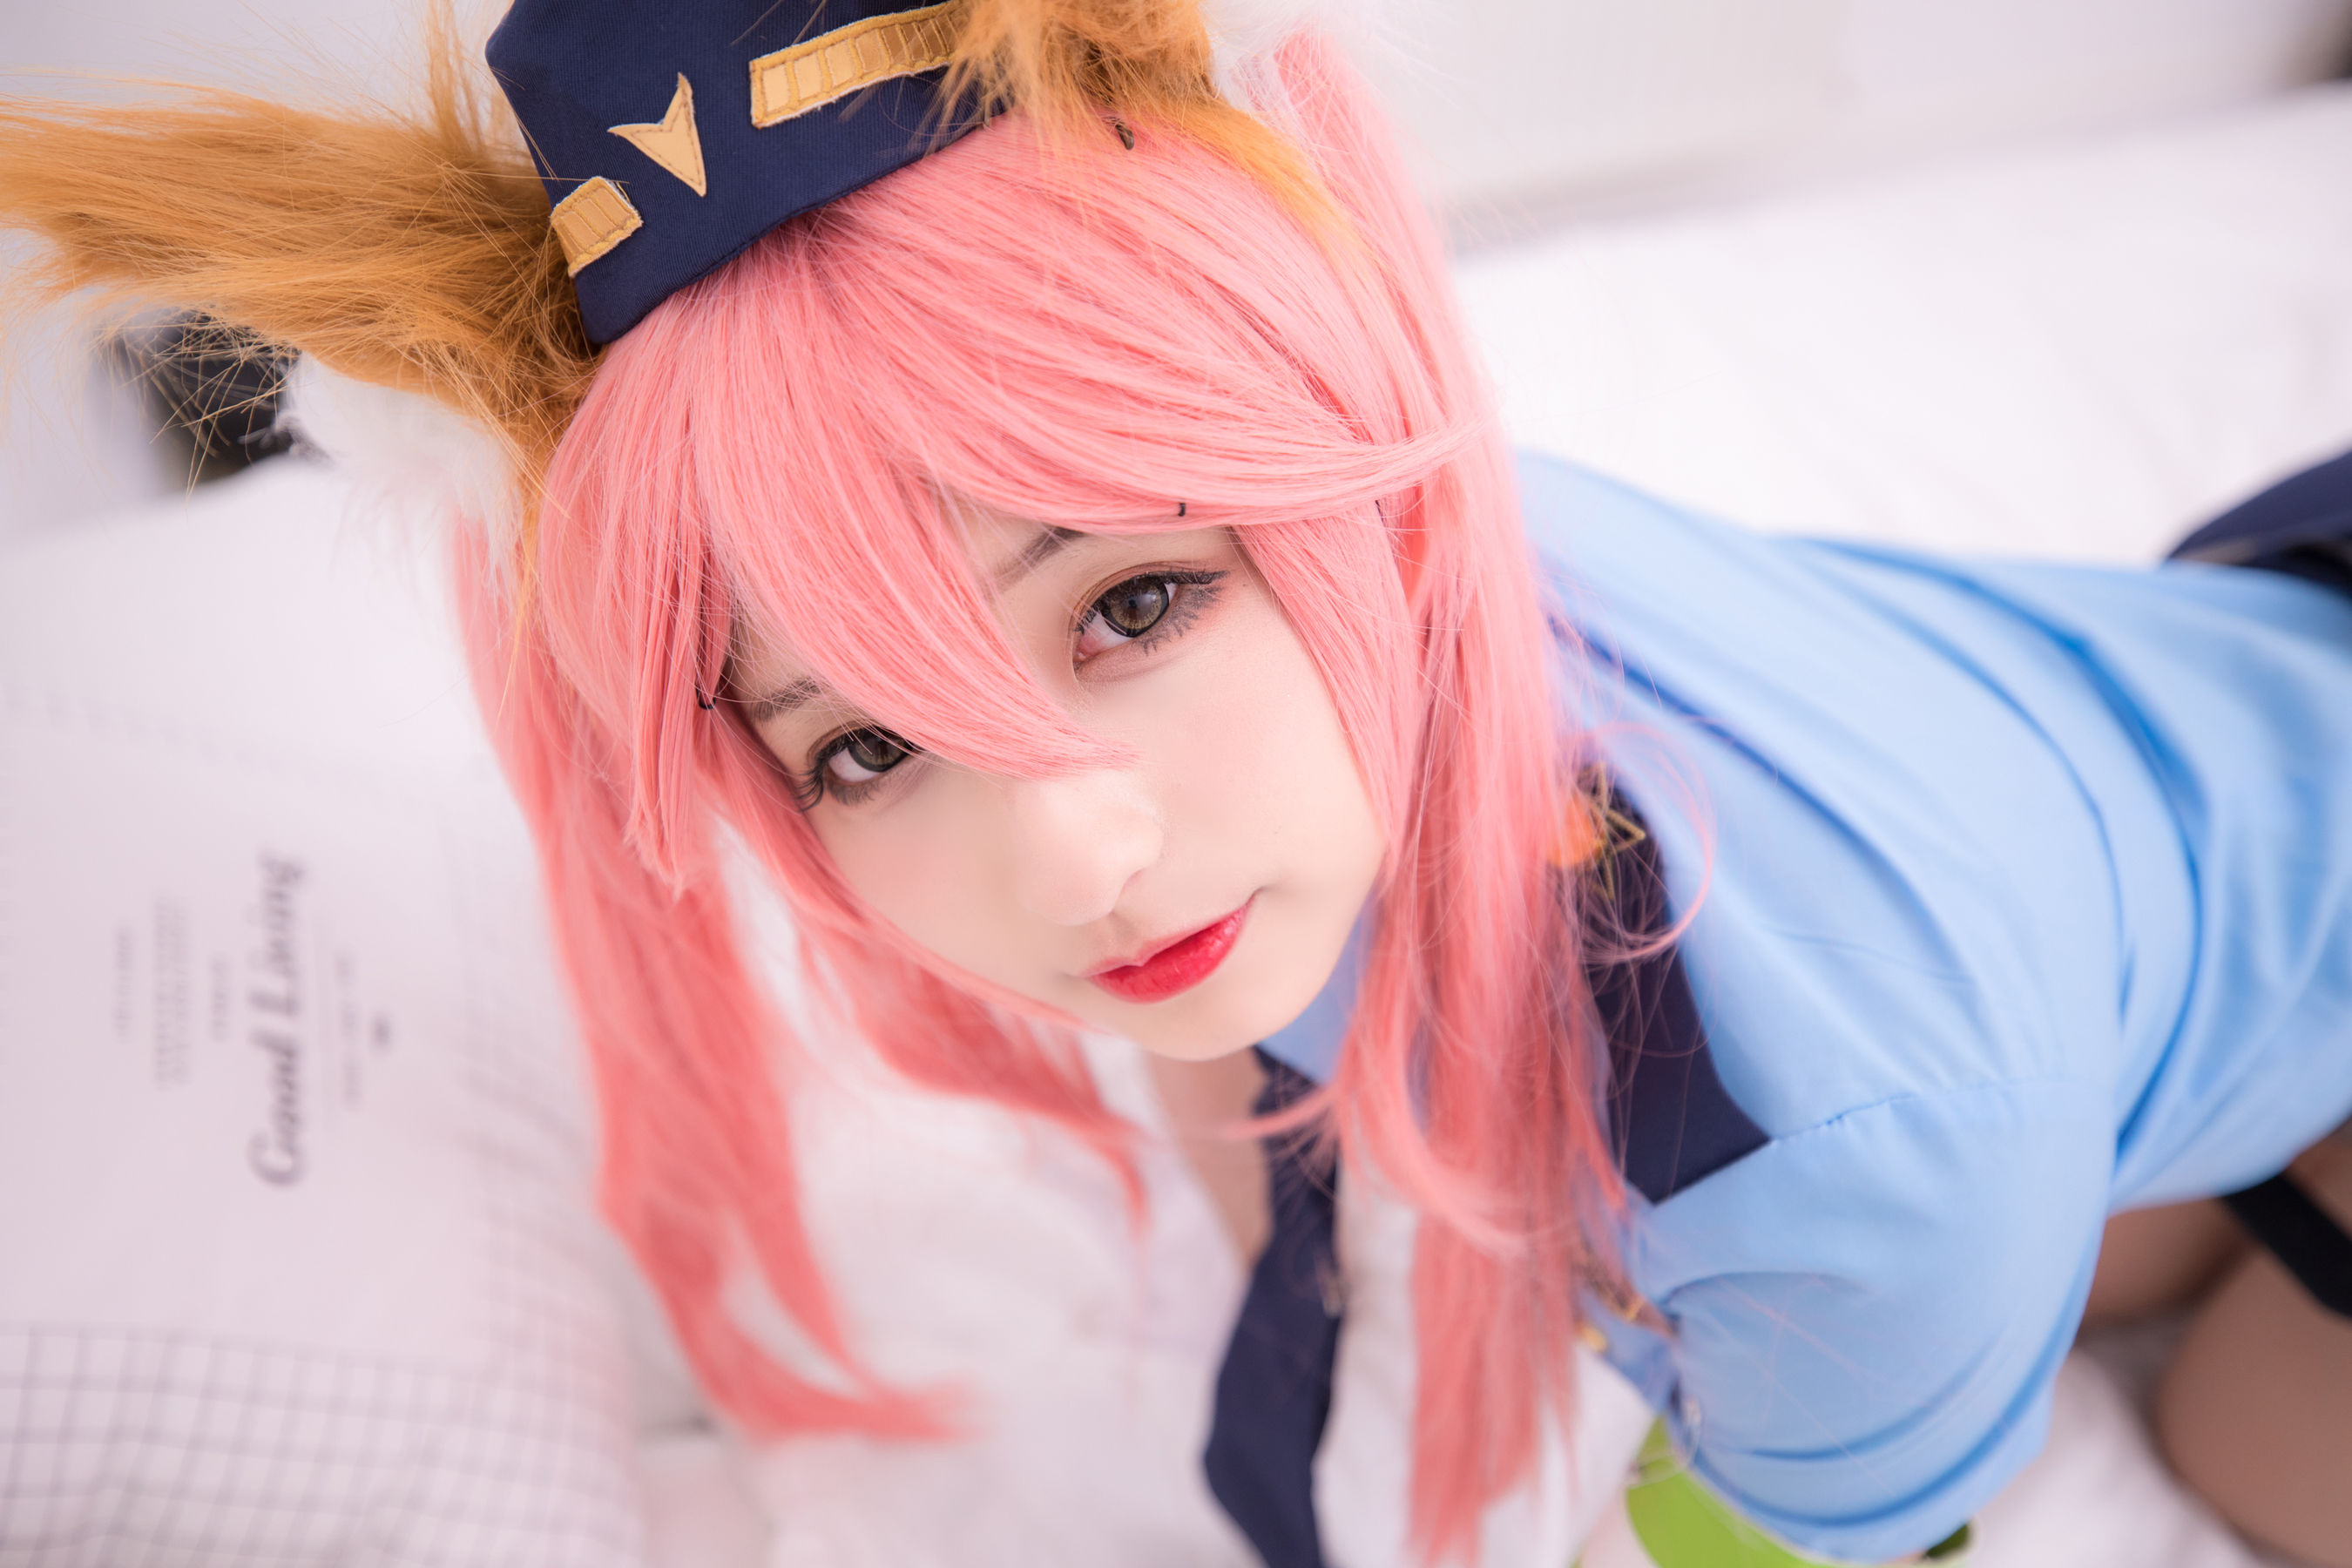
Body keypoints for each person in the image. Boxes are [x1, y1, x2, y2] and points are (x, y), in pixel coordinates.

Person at [3, 3, 2348, 1563]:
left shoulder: (1842, 1146)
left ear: (1331, 464)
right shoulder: (1383, 623)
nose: (1069, 859)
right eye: (865, 743)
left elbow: (1771, 1505)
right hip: (2121, 895)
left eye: (1130, 602)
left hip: (2108, 970)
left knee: (2226, 1436)